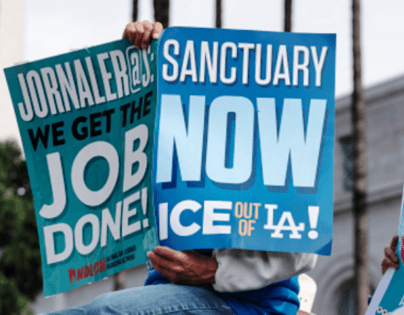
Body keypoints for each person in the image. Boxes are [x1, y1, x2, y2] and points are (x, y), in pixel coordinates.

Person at [42, 21, 318, 315]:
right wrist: (134, 56)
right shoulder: (171, 140)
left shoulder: (269, 142)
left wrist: (214, 271)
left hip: (250, 305)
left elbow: (302, 250)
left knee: (103, 311)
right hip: (176, 295)